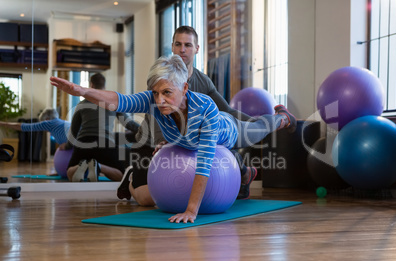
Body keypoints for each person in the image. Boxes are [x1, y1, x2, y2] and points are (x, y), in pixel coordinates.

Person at [50, 55, 296, 223]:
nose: (159, 100)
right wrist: (83, 91)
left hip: (227, 131)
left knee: (258, 130)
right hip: (189, 140)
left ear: (185, 88)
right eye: (156, 93)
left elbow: (204, 162)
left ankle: (283, 117)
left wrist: (191, 210)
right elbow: (120, 100)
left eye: (167, 93)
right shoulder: (156, 101)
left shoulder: (206, 109)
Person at [121, 26, 258, 202]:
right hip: (149, 144)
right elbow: (156, 118)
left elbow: (227, 111)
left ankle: (244, 172)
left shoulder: (203, 81)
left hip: (185, 145)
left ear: (197, 49)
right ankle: (130, 177)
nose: (182, 49)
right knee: (147, 200)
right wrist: (164, 144)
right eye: (178, 44)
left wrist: (257, 123)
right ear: (172, 46)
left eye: (187, 45)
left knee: (220, 141)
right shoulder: (161, 77)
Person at [64, 73, 139, 182]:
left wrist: (66, 146)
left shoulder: (81, 104)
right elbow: (129, 124)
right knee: (121, 175)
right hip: (105, 142)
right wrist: (146, 131)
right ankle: (99, 166)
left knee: (69, 173)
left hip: (84, 142)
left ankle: (82, 165)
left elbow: (73, 132)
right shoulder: (113, 102)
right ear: (104, 86)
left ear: (91, 85)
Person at [0, 108, 70, 146]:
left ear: (47, 119)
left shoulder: (49, 123)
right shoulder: (61, 123)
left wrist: (3, 124)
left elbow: (23, 127)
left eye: (42, 121)